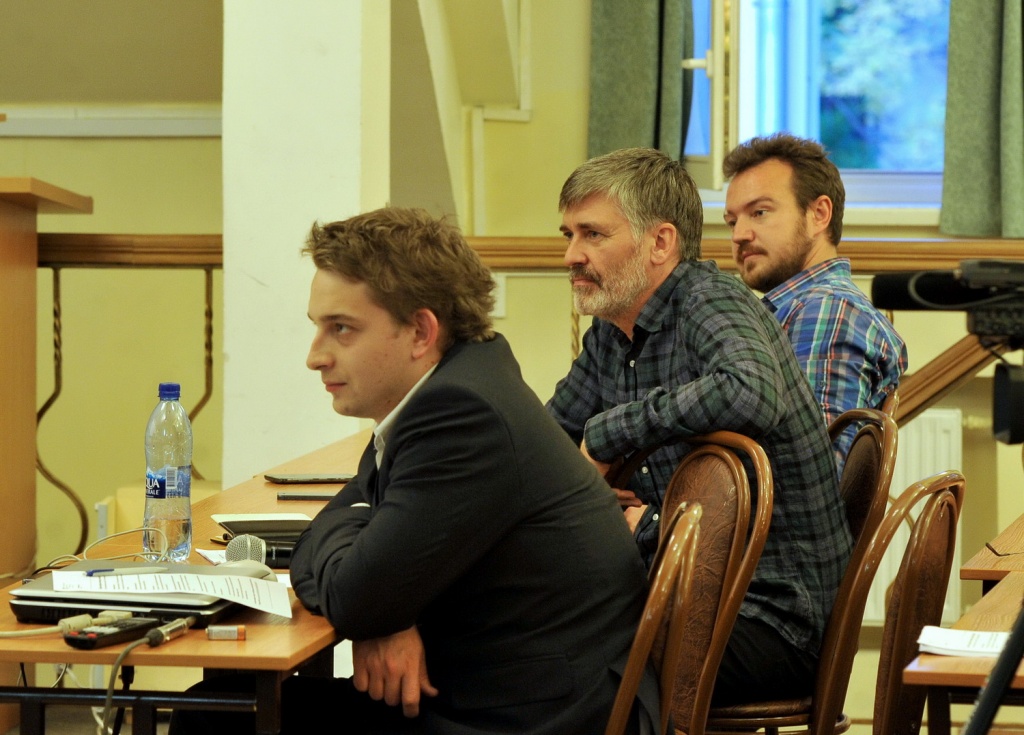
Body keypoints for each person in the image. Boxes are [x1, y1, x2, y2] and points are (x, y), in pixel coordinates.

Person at [170, 207, 656, 735]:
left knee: (215, 717)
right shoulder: (461, 382)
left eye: (341, 329)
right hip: (507, 691)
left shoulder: (461, 414)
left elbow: (355, 594)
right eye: (318, 327)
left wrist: (379, 605)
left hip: (522, 717)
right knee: (225, 705)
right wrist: (383, 605)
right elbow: (359, 533)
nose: (316, 357)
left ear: (421, 331)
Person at [546, 148, 852, 704]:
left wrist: (610, 432)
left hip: (771, 620)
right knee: (519, 635)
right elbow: (548, 445)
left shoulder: (710, 299)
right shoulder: (611, 333)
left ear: (660, 242)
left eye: (592, 234)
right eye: (569, 235)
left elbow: (751, 392)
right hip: (682, 593)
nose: (571, 255)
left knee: (553, 663)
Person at [723, 133, 908, 465]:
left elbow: (813, 474)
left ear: (819, 214)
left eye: (760, 212)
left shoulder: (826, 309)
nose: (739, 235)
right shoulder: (797, 309)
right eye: (732, 222)